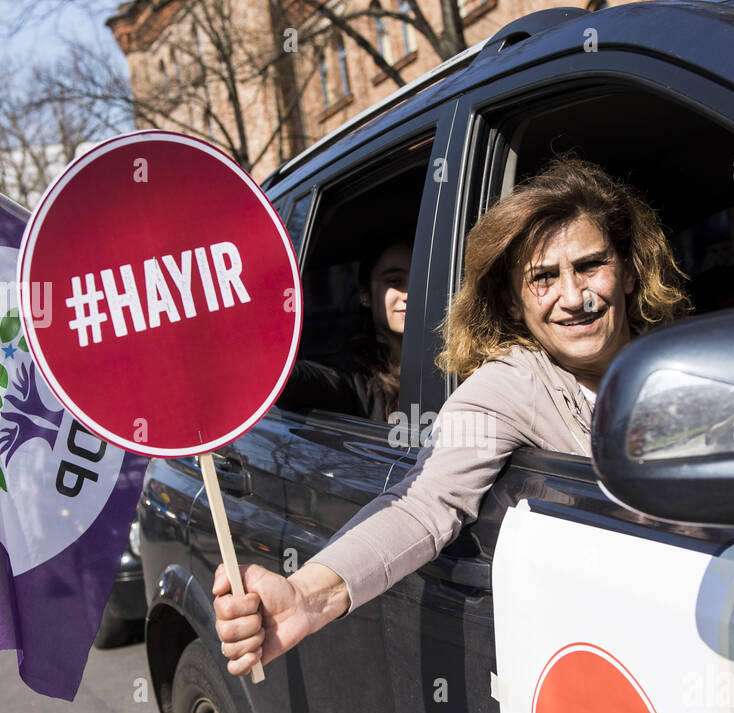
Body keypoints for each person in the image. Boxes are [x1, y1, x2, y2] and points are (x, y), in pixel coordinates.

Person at [213, 157, 689, 675]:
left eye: (591, 265)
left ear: (627, 269)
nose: (574, 296)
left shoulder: (689, 359)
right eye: (543, 277)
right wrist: (308, 597)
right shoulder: (511, 385)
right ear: (510, 300)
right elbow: (425, 502)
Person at [277, 234, 410, 422]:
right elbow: (302, 381)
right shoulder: (353, 374)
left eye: (421, 279)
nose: (410, 292)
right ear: (365, 293)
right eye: (394, 281)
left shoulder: (452, 360)